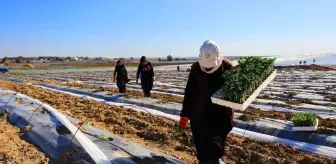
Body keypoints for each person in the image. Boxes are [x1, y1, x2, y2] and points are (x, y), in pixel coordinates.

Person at [179, 40, 234, 164]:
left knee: (215, 146)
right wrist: (185, 115)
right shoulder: (195, 69)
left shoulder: (228, 68)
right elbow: (190, 93)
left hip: (220, 115)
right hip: (199, 114)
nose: (208, 67)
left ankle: (215, 159)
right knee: (202, 148)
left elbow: (235, 90)